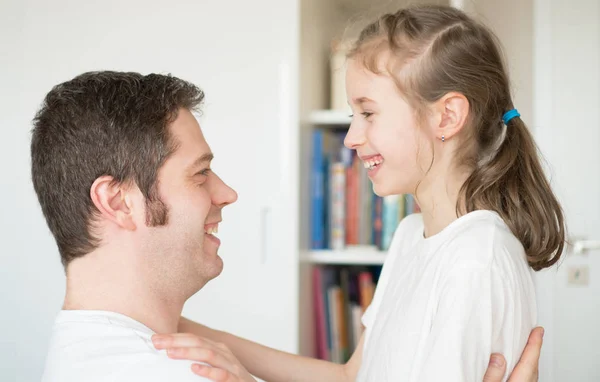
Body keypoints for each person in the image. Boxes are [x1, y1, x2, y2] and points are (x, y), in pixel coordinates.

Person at [152, 4, 561, 382]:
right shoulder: (411, 236)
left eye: (368, 113)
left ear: (447, 116)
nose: (351, 138)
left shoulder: (475, 257)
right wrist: (182, 327)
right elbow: (351, 377)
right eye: (353, 116)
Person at [34, 71, 244, 381]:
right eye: (200, 173)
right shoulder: (182, 374)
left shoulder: (80, 344)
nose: (228, 194)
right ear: (118, 202)